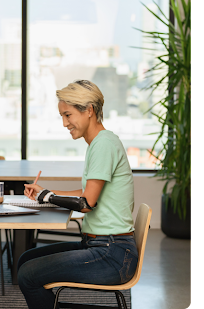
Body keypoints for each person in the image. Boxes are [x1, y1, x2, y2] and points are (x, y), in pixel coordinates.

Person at [17, 80, 137, 309]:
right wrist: (46, 192)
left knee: (28, 274)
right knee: (26, 259)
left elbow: (86, 203)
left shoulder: (104, 145)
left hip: (113, 255)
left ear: (89, 110)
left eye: (68, 115)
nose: (64, 123)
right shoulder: (99, 143)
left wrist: (47, 198)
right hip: (103, 246)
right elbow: (86, 193)